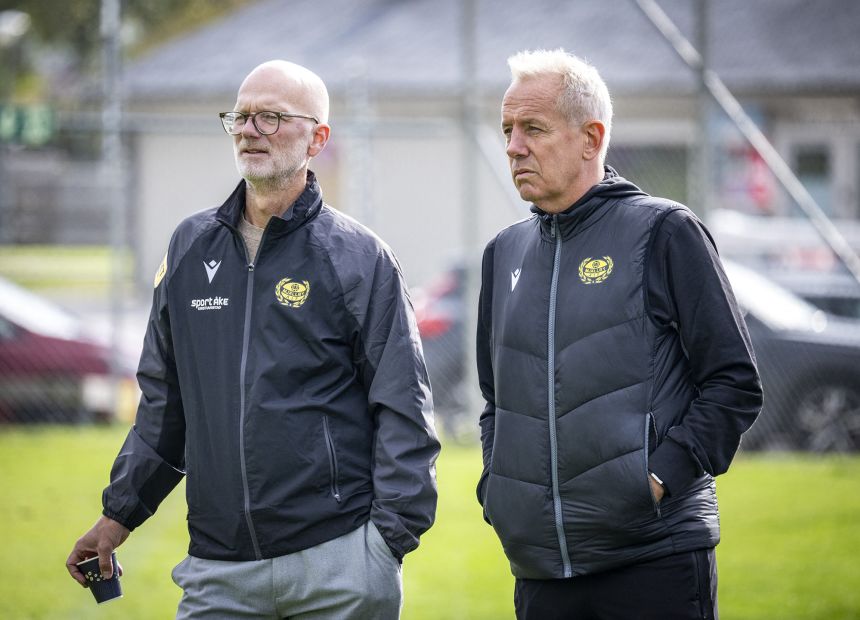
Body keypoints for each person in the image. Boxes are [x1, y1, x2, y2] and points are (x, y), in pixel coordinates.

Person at [66, 59, 440, 619]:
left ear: (318, 138)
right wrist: (118, 516)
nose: (248, 130)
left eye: (271, 117)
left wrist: (386, 541)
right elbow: (165, 405)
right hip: (218, 570)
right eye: (241, 117)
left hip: (338, 562)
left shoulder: (360, 258)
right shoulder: (190, 247)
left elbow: (403, 406)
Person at [475, 49, 762, 620]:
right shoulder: (503, 252)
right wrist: (499, 493)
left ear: (591, 137)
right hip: (540, 568)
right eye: (507, 129)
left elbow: (734, 384)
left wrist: (654, 481)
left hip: (653, 557)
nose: (513, 146)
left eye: (533, 128)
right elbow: (496, 403)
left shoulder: (664, 230)